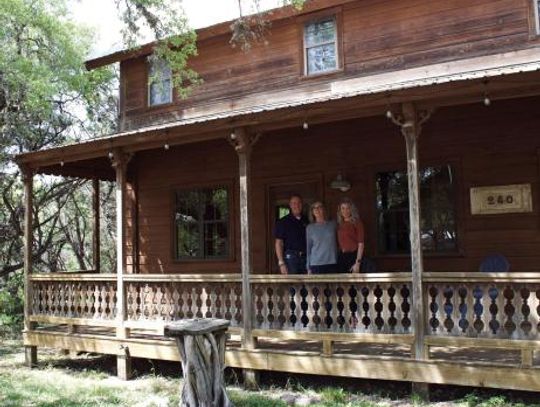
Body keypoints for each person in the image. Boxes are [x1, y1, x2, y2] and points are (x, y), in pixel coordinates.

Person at [274, 194, 309, 274]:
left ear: (302, 204)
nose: (297, 205)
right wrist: (281, 263)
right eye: (294, 203)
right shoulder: (283, 222)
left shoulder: (306, 221)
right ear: (290, 205)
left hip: (306, 257)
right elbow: (279, 243)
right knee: (293, 284)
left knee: (307, 285)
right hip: (291, 258)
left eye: (299, 203)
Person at [306, 201, 338, 274]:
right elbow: (309, 247)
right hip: (316, 264)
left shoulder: (333, 224)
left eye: (319, 207)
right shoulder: (310, 228)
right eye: (314, 208)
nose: (317, 209)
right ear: (312, 211)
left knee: (332, 285)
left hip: (331, 262)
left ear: (324, 209)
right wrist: (308, 267)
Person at [336, 197, 364, 273]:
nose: (345, 211)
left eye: (348, 208)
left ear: (351, 209)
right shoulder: (339, 224)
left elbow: (361, 244)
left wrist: (357, 263)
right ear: (340, 210)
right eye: (343, 208)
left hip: (354, 256)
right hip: (342, 256)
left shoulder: (357, 223)